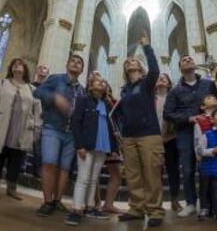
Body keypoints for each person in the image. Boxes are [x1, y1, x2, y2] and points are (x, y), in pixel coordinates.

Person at [117, 33, 164, 227]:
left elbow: (155, 69)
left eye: (133, 61)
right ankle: (136, 209)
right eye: (127, 62)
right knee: (133, 175)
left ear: (139, 67)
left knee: (151, 174)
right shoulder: (125, 90)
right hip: (129, 137)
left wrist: (147, 47)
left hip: (149, 135)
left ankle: (155, 211)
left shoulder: (146, 83)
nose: (130, 62)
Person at [163, 55, 217, 217]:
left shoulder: (209, 85)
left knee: (207, 168)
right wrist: (188, 118)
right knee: (187, 170)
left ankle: (208, 203)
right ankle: (191, 203)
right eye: (184, 60)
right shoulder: (175, 91)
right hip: (185, 133)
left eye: (190, 59)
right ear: (180, 67)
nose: (187, 60)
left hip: (208, 131)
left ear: (195, 65)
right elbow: (168, 113)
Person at [33, 54, 85, 216]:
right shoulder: (56, 79)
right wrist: (55, 97)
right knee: (49, 163)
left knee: (64, 168)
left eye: (79, 63)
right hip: (53, 127)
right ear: (67, 65)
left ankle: (58, 201)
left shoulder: (82, 90)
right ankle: (47, 202)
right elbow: (38, 92)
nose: (75, 64)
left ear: (82, 69)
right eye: (73, 61)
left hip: (71, 134)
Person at [0, 58, 41, 200]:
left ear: (25, 69)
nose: (17, 66)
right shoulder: (3, 83)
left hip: (21, 129)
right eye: (15, 64)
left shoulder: (31, 89)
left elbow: (37, 111)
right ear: (11, 68)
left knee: (17, 159)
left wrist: (36, 127)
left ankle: (11, 188)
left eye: (20, 64)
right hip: (2, 125)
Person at [66, 77, 117, 226]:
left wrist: (113, 148)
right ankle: (76, 210)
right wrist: (79, 145)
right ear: (90, 86)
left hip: (102, 146)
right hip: (86, 145)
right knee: (83, 178)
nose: (102, 82)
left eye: (104, 81)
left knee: (94, 179)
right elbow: (75, 123)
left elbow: (109, 127)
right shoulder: (83, 100)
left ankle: (89, 207)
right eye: (98, 81)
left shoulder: (106, 104)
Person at [155, 73, 181, 213]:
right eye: (158, 77)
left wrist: (171, 134)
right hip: (154, 139)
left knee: (173, 170)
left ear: (169, 83)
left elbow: (178, 117)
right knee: (155, 172)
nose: (161, 78)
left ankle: (175, 200)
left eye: (164, 77)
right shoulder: (150, 99)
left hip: (171, 138)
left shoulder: (174, 98)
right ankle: (157, 202)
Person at [192, 94, 217, 219]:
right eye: (208, 99)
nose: (212, 99)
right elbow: (196, 139)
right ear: (203, 106)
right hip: (204, 155)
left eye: (214, 98)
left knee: (216, 183)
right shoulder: (200, 121)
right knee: (204, 184)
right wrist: (198, 155)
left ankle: (215, 207)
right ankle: (204, 207)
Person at [101, 81, 124, 215]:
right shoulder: (95, 100)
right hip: (103, 138)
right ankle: (97, 203)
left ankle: (108, 204)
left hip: (112, 139)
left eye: (104, 83)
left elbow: (117, 119)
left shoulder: (113, 101)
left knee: (116, 173)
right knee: (93, 174)